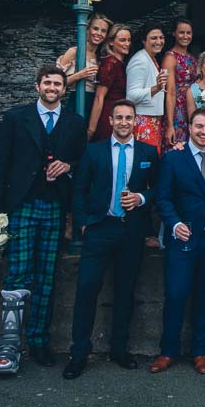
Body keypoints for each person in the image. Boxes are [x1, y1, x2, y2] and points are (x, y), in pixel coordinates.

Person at [0, 65, 87, 375]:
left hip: (55, 206)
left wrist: (68, 166)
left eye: (57, 84)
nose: (52, 88)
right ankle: (9, 344)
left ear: (64, 89)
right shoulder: (16, 118)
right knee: (18, 273)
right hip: (22, 204)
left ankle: (39, 340)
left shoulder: (74, 122)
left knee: (46, 276)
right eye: (47, 83)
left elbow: (83, 162)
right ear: (37, 86)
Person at [63, 99, 159, 379]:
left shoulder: (148, 152)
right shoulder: (94, 151)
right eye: (119, 118)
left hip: (131, 230)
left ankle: (120, 348)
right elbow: (79, 190)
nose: (124, 122)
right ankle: (79, 352)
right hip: (100, 228)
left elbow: (158, 189)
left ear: (135, 121)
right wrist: (83, 224)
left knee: (125, 291)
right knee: (87, 289)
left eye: (129, 118)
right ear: (111, 121)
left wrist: (141, 198)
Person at [150, 108, 205, 376]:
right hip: (182, 238)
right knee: (176, 294)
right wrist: (174, 223)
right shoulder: (174, 158)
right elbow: (163, 198)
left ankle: (200, 352)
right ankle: (167, 351)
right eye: (199, 127)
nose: (204, 131)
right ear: (190, 128)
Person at [56, 12, 112, 121]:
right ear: (87, 30)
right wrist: (80, 75)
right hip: (77, 101)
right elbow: (56, 82)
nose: (99, 33)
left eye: (103, 31)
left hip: (94, 104)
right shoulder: (74, 52)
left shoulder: (101, 57)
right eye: (95, 29)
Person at [126, 24, 168, 154]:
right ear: (144, 40)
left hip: (153, 120)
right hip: (143, 120)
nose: (159, 42)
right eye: (154, 38)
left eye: (161, 37)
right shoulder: (140, 60)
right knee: (145, 159)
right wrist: (157, 88)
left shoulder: (151, 58)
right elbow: (131, 96)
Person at [88, 24, 131, 142]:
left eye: (129, 40)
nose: (127, 43)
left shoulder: (120, 63)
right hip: (108, 116)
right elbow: (99, 97)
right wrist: (91, 129)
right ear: (111, 42)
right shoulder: (111, 63)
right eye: (122, 40)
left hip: (119, 116)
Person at [163, 16, 197, 152]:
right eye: (181, 32)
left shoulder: (192, 58)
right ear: (174, 33)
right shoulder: (170, 57)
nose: (185, 36)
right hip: (176, 110)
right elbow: (170, 92)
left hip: (191, 108)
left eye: (188, 33)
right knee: (175, 148)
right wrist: (170, 125)